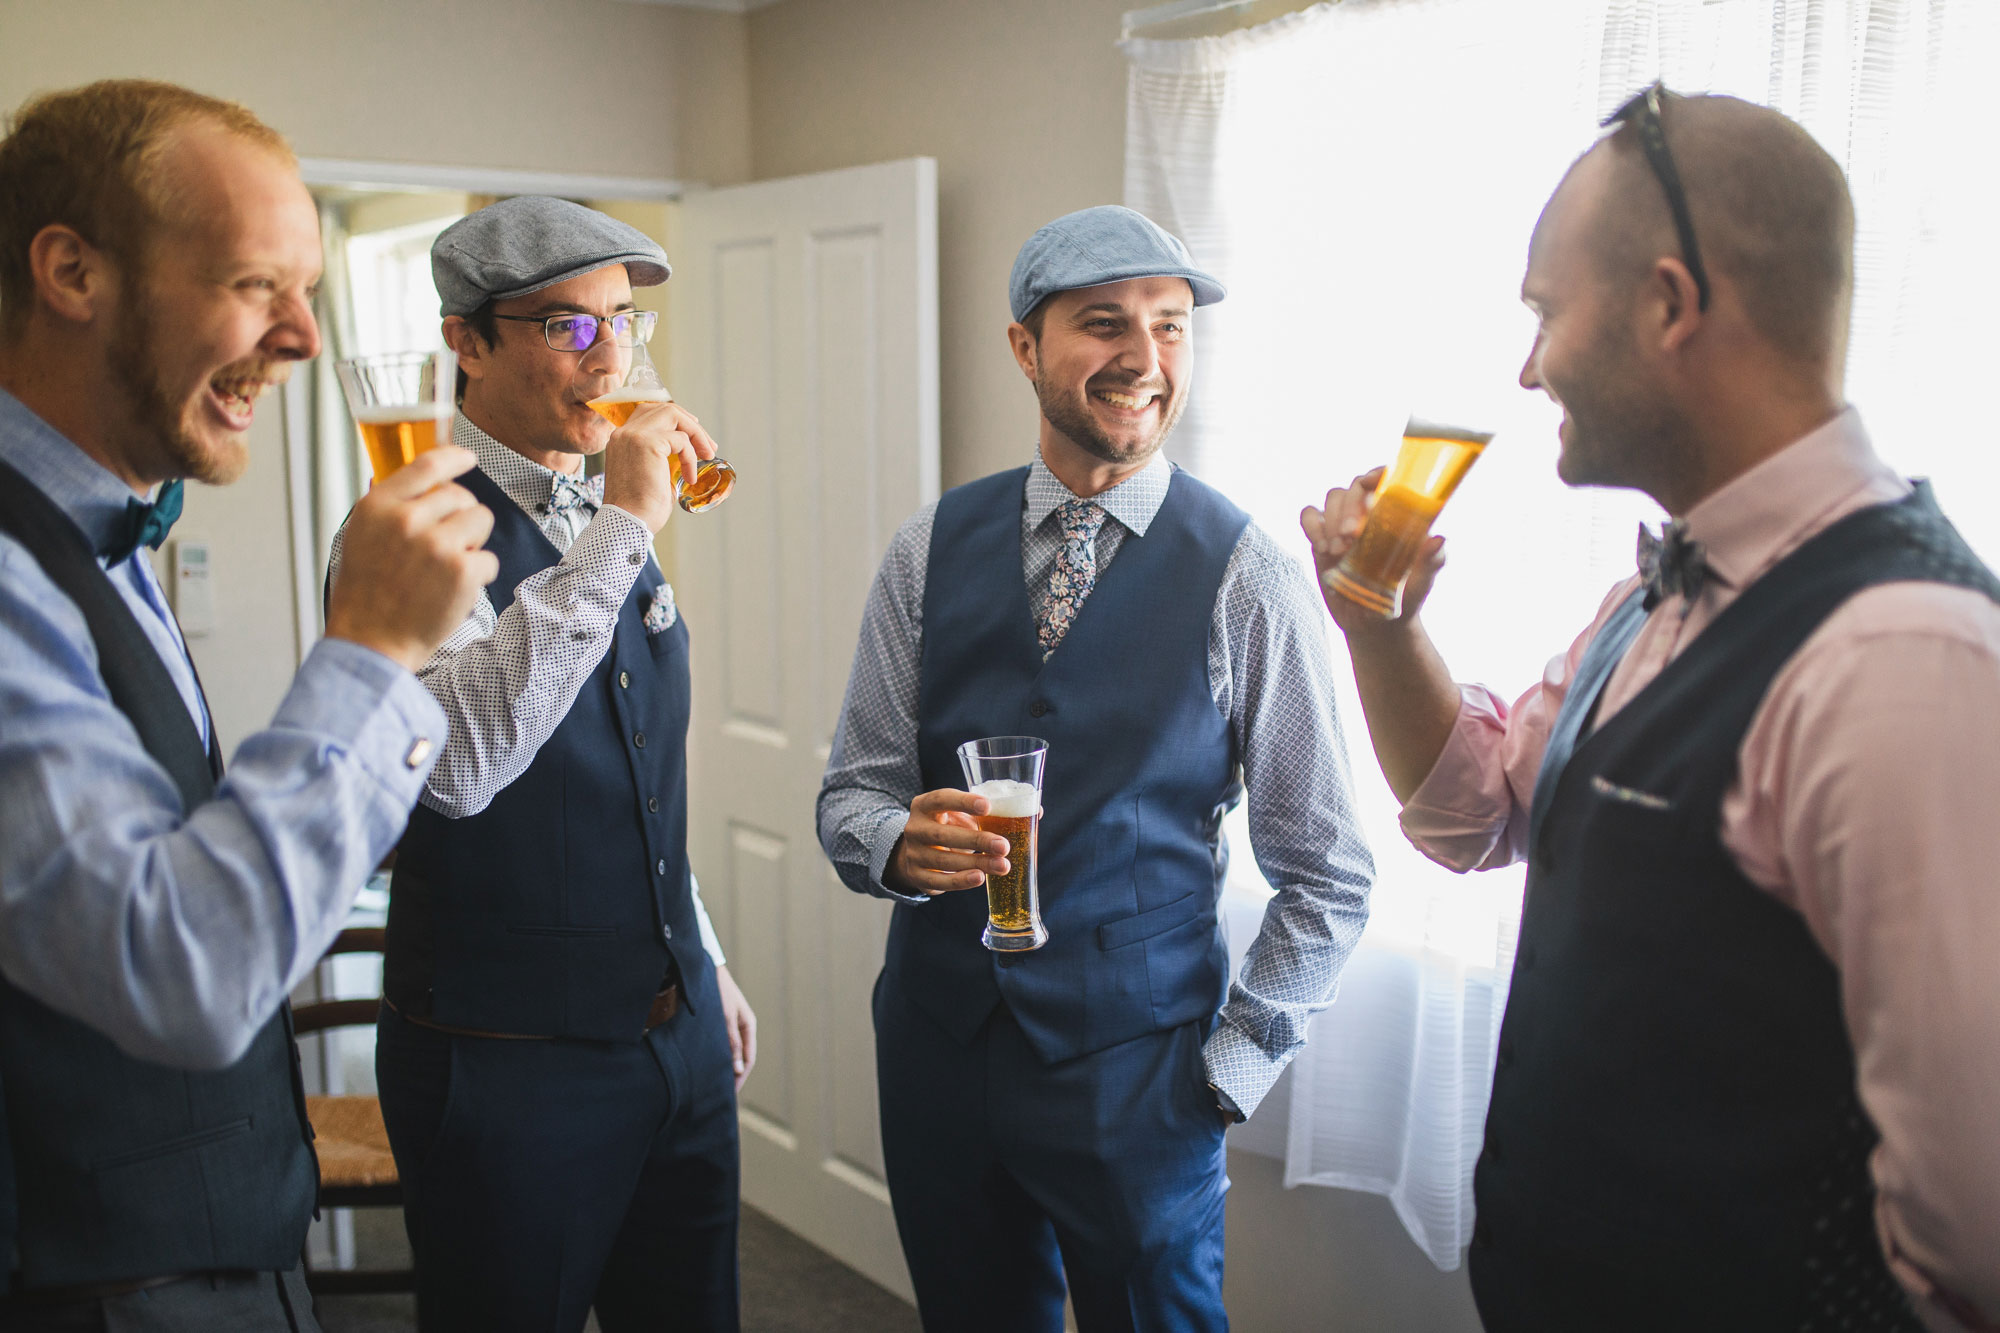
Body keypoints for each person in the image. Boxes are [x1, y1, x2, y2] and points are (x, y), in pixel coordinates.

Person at [1302, 88, 2000, 1332]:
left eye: (1543, 313)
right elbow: (1474, 813)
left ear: (1668, 305)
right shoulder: (1656, 587)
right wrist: (1381, 623)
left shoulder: (1904, 658)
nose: (1527, 367)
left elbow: (1971, 1236)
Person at [818, 205, 1373, 1332]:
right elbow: (851, 791)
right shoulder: (928, 548)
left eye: (1170, 328)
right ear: (1024, 347)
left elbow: (1328, 872)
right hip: (937, 1052)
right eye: (1104, 323)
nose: (1143, 359)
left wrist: (1229, 1069)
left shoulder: (1245, 573)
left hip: (1141, 1074)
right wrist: (891, 846)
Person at [0, 80, 494, 1330]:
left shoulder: (102, 536)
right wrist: (372, 647)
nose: (303, 341)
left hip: (220, 1247)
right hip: (93, 1284)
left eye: (310, 294)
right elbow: (185, 967)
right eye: (252, 284)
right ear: (71, 270)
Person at [325, 196, 754, 1333]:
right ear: (465, 340)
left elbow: (633, 763)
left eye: (623, 322)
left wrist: (700, 954)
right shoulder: (405, 531)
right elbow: (458, 764)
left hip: (677, 1045)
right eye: (568, 326)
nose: (610, 355)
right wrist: (622, 526)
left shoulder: (609, 509)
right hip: (503, 1070)